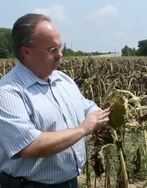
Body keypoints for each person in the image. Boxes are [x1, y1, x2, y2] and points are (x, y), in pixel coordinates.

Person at [0, 13, 110, 188]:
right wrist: (83, 129)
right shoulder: (8, 92)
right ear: (26, 51)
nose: (60, 55)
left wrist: (100, 114)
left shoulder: (62, 79)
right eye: (52, 50)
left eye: (61, 47)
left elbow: (84, 106)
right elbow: (29, 146)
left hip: (69, 182)